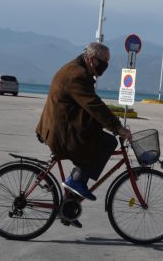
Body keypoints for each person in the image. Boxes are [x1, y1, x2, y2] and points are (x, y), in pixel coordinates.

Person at [35, 42, 132, 225]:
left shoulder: (78, 70)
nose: (105, 65)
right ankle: (75, 183)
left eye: (107, 62)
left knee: (93, 146)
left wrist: (110, 124)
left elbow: (87, 107)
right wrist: (117, 127)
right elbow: (93, 105)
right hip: (61, 134)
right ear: (91, 59)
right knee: (109, 143)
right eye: (103, 61)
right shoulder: (77, 75)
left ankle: (69, 206)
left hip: (62, 128)